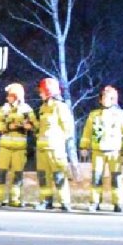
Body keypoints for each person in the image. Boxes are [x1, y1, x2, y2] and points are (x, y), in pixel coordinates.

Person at [80, 85, 123, 212]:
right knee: (96, 178)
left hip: (115, 152)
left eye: (108, 97)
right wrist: (83, 147)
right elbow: (87, 132)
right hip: (97, 152)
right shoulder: (94, 115)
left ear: (113, 99)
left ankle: (118, 203)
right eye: (103, 96)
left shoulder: (120, 115)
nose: (104, 99)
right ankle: (95, 202)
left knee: (116, 179)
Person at [34, 77, 75, 211]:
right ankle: (46, 201)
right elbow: (41, 128)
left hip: (55, 149)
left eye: (42, 91)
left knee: (59, 176)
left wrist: (58, 140)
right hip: (42, 149)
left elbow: (68, 128)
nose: (40, 94)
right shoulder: (42, 108)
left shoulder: (60, 107)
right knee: (43, 177)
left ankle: (65, 202)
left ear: (49, 91)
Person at [0, 82, 34, 207]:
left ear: (16, 96)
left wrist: (28, 126)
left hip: (19, 149)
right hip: (4, 147)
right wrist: (7, 126)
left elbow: (34, 124)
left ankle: (15, 200)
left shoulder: (27, 109)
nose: (7, 97)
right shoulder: (3, 108)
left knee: (17, 175)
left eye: (9, 95)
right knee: (0, 173)